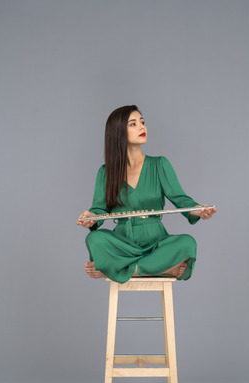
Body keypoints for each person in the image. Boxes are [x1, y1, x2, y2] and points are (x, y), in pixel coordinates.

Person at [77, 105, 216, 284]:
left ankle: (115, 269)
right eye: (133, 124)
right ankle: (163, 269)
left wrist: (198, 210)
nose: (142, 127)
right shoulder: (106, 172)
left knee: (188, 243)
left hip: (156, 242)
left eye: (142, 122)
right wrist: (90, 217)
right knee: (94, 239)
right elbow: (98, 209)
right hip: (122, 243)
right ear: (118, 132)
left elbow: (182, 200)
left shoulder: (159, 164)